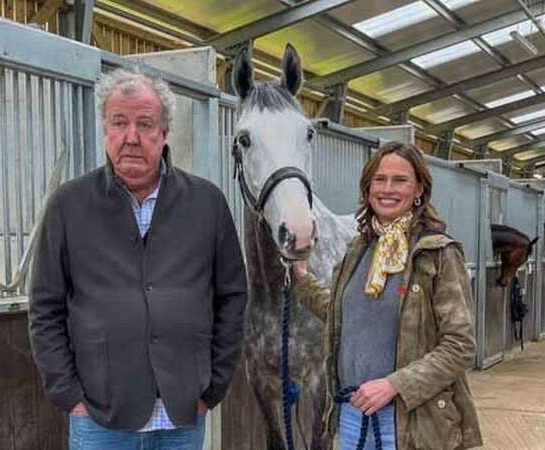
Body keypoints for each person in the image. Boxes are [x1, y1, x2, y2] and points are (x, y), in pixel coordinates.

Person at [28, 68, 248, 450]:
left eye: (145, 124)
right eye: (119, 123)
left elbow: (232, 296)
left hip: (182, 413)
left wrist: (212, 387)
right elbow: (45, 306)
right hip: (100, 417)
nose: (131, 137)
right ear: (105, 130)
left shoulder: (207, 203)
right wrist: (68, 394)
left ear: (164, 134)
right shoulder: (69, 204)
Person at [292, 142, 482, 450]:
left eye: (400, 180)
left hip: (412, 423)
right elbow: (343, 315)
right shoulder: (359, 250)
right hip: (353, 415)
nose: (387, 189)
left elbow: (460, 346)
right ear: (368, 188)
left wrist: (395, 384)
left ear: (419, 188)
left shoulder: (437, 253)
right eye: (379, 179)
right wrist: (301, 280)